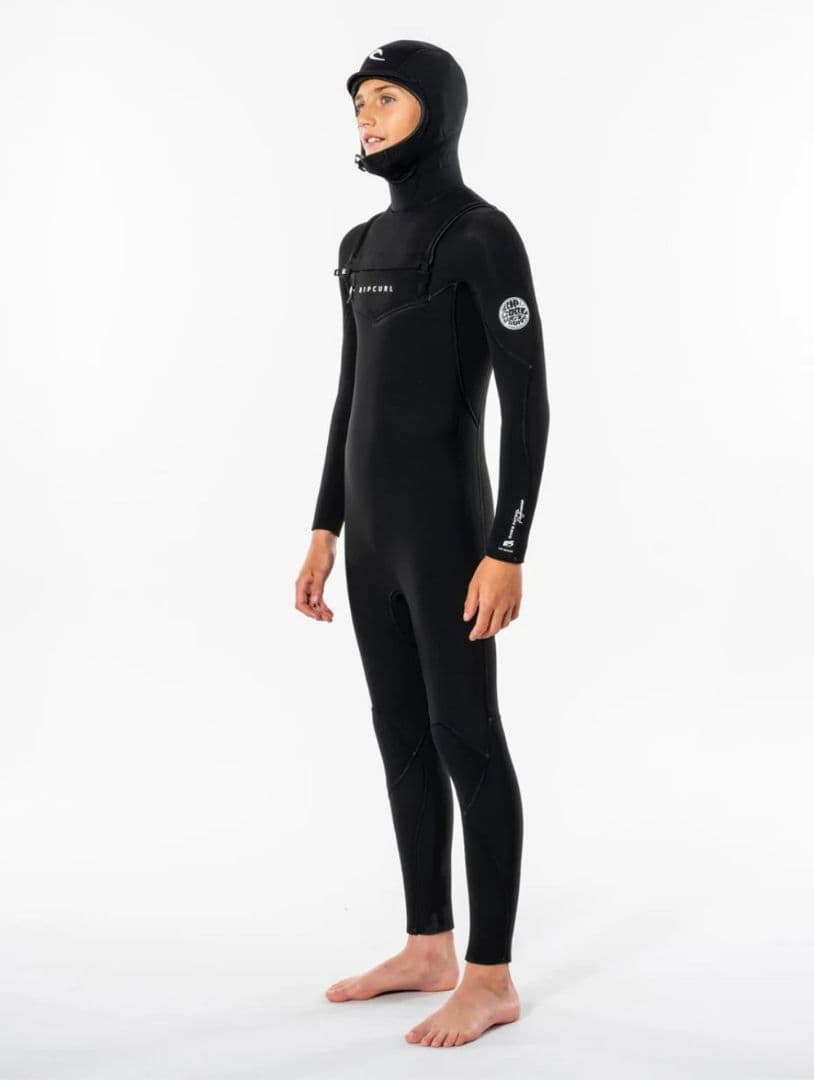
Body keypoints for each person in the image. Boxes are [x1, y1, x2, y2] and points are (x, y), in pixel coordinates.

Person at [295, 39, 551, 1048]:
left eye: (385, 97)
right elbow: (349, 395)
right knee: (399, 733)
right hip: (368, 541)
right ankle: (427, 946)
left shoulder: (481, 235)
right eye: (357, 100)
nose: (364, 113)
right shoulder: (360, 244)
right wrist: (322, 526)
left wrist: (507, 546)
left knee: (464, 736)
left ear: (436, 110)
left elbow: (527, 404)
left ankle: (489, 977)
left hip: (450, 535)